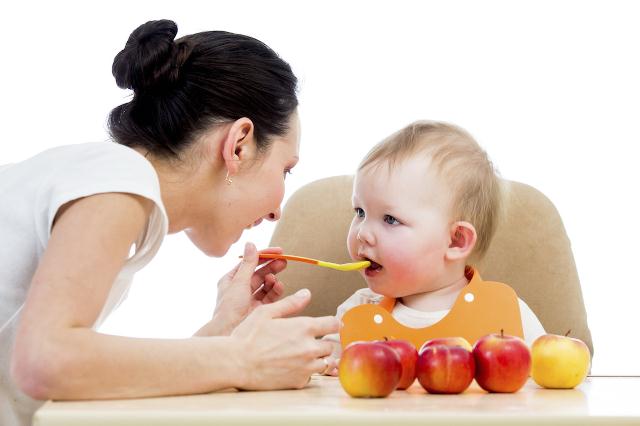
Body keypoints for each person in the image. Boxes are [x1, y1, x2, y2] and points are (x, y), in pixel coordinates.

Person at [0, 20, 338, 426]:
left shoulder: (109, 183)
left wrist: (222, 333)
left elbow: (76, 371)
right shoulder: (118, 178)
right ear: (240, 144)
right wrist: (243, 358)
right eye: (285, 169)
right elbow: (43, 361)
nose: (276, 212)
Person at [322, 121, 545, 373]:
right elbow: (318, 381)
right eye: (360, 212)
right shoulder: (356, 311)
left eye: (390, 219)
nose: (362, 233)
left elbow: (545, 390)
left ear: (456, 241)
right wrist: (329, 368)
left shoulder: (506, 312)